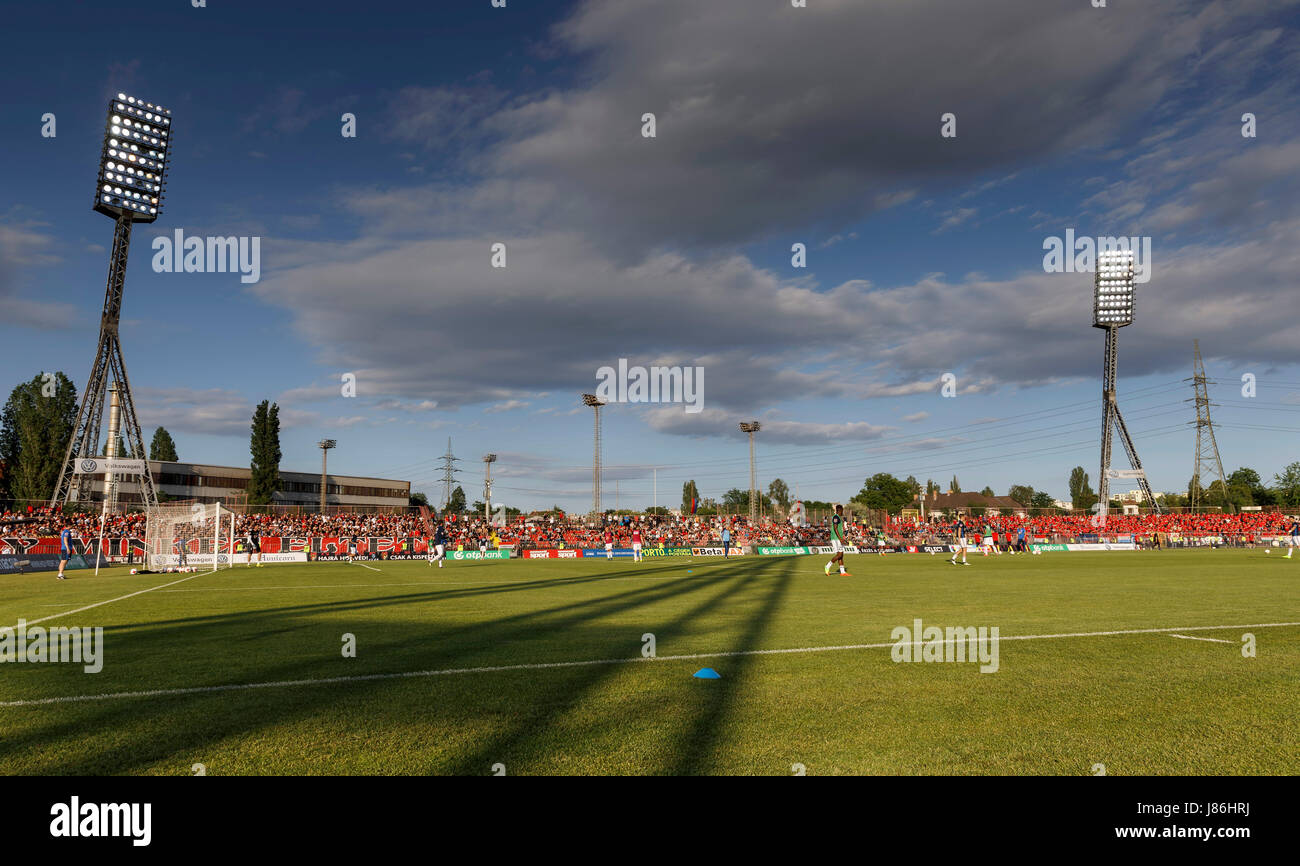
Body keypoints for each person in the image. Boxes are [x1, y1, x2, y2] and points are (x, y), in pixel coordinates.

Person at [824, 504, 851, 576]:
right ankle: (827, 566)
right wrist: (840, 538)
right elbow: (835, 528)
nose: (843, 512)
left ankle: (842, 572)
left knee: (841, 555)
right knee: (839, 555)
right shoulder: (836, 517)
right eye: (842, 510)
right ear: (840, 510)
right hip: (836, 538)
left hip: (837, 538)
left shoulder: (837, 517)